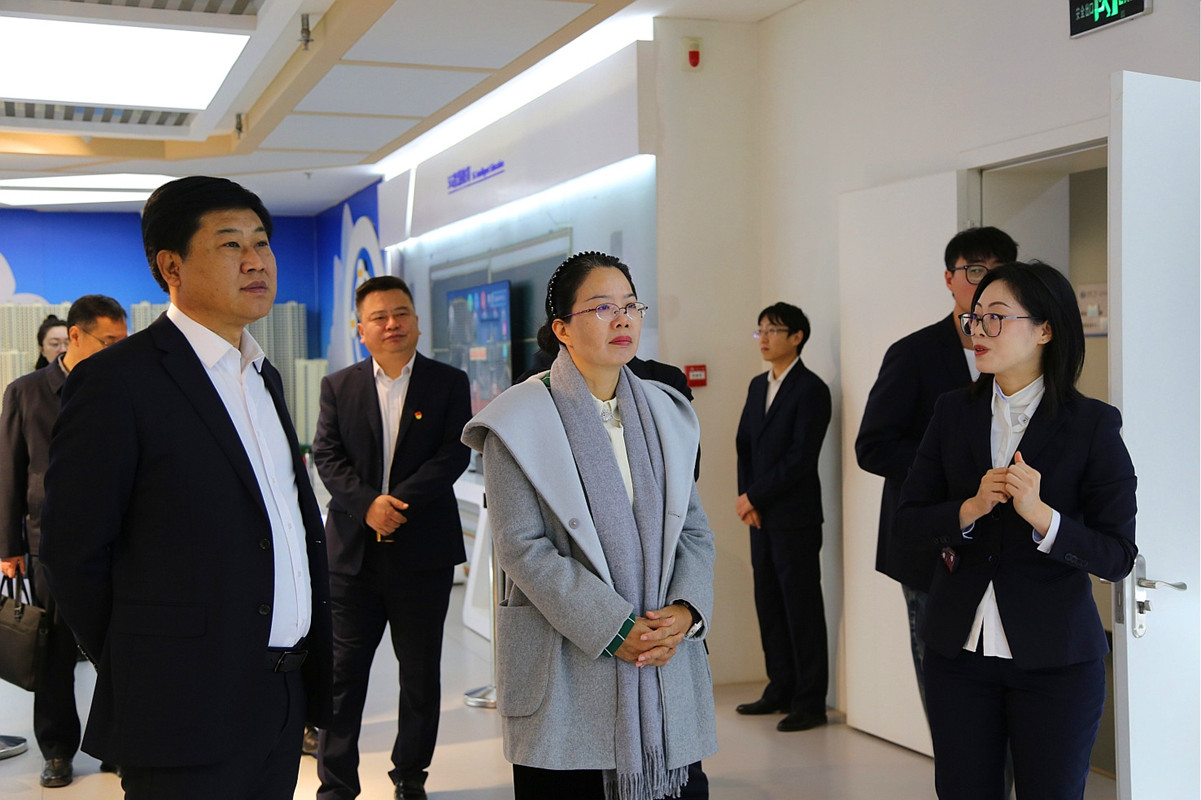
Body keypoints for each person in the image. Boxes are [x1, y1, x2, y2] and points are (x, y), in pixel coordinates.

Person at [39, 176, 333, 800]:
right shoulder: (118, 381)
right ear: (171, 266)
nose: (256, 260)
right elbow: (72, 551)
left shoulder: (262, 375)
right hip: (181, 704)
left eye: (261, 242)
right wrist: (146, 658)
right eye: (230, 244)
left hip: (281, 692)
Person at [462, 251, 716, 800]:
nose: (622, 319)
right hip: (567, 676)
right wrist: (615, 628)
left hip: (664, 668)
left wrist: (685, 611)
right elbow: (522, 548)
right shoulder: (517, 420)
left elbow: (693, 530)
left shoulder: (666, 412)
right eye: (602, 307)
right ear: (562, 329)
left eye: (631, 306)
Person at [896, 261, 1137, 799]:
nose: (978, 330)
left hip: (1056, 663)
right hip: (958, 657)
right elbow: (908, 524)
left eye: (996, 317)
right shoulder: (952, 411)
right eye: (975, 317)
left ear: (1045, 329)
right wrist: (970, 507)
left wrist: (1043, 517)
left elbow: (1117, 555)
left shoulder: (1093, 424)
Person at [312, 275, 472, 800]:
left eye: (401, 313)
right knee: (341, 677)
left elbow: (454, 452)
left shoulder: (448, 383)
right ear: (360, 329)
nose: (391, 324)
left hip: (422, 555)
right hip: (351, 559)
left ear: (417, 322)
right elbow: (327, 456)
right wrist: (368, 506)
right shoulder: (338, 386)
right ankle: (336, 785)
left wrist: (395, 504)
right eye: (378, 317)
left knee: (420, 676)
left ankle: (410, 776)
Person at [855, 226, 1018, 715]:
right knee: (948, 696)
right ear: (949, 279)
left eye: (998, 272)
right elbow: (873, 447)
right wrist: (952, 472)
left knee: (1004, 688)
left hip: (1007, 545)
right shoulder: (914, 353)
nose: (985, 282)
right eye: (974, 270)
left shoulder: (1023, 355)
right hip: (932, 546)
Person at [1, 294, 128, 788]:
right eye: (109, 341)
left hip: (118, 541)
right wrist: (9, 546)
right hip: (48, 545)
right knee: (52, 653)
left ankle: (118, 745)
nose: (118, 350)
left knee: (119, 649)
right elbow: (9, 472)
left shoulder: (123, 386)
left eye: (123, 341)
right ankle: (57, 751)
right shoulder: (26, 392)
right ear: (75, 336)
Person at [734, 302, 831, 732]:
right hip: (760, 516)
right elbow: (744, 446)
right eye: (760, 330)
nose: (765, 338)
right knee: (769, 603)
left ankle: (810, 701)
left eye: (773, 330)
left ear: (797, 337)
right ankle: (780, 687)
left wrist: (755, 495)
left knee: (801, 608)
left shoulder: (812, 389)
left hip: (796, 518)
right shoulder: (758, 385)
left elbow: (800, 458)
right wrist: (748, 500)